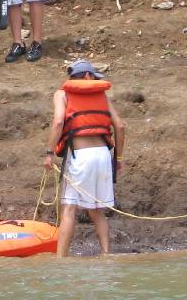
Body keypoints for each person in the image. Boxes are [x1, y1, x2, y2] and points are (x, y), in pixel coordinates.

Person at [44, 60, 126, 256]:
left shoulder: (62, 94)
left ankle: (60, 260)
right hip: (104, 157)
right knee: (97, 210)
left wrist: (49, 153)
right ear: (88, 77)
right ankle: (106, 255)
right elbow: (121, 126)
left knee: (69, 208)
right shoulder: (102, 95)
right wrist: (119, 158)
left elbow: (58, 122)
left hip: (80, 157)